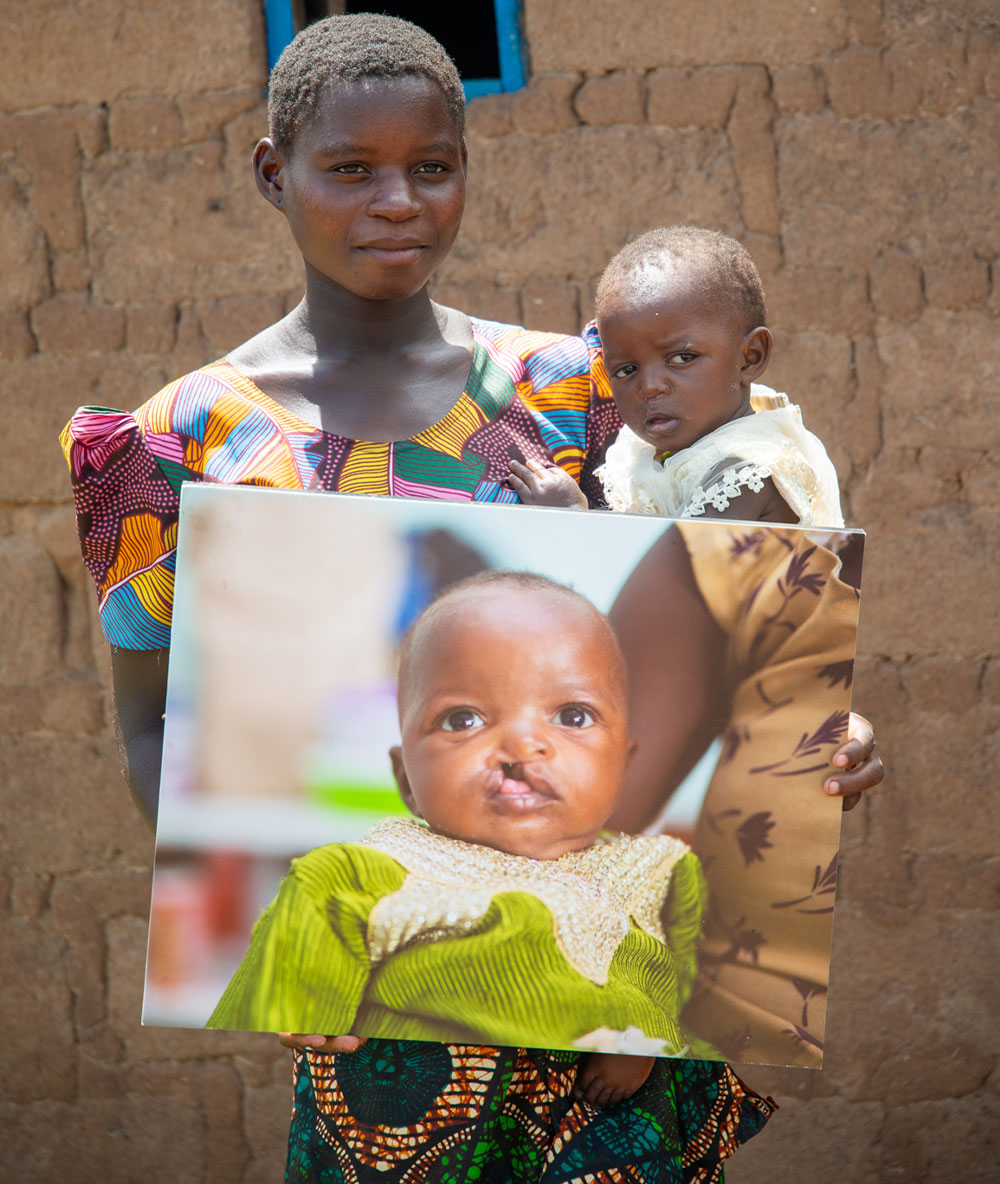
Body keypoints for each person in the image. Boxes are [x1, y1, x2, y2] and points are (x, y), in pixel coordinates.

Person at [60, 14, 882, 1183]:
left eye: (431, 167)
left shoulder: (583, 391)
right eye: (350, 168)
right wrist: (283, 951)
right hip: (377, 1041)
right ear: (271, 174)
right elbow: (153, 728)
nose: (396, 199)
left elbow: (735, 616)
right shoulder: (178, 443)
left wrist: (818, 735)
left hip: (622, 1043)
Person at [208, 573, 716, 1107]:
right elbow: (296, 951)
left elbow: (696, 992)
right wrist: (305, 1020)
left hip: (594, 1128)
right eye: (463, 719)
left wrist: (649, 1046)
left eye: (572, 715)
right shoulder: (377, 867)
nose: (522, 744)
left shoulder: (663, 869)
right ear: (406, 780)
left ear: (625, 767)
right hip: (422, 1123)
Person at [510, 226, 844, 527]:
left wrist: (572, 518)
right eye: (626, 370)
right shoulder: (652, 456)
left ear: (750, 357)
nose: (650, 386)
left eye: (683, 358)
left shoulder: (745, 474)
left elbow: (669, 584)